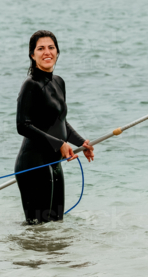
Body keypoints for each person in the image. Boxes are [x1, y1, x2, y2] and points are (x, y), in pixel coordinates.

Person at [14, 30, 94, 224]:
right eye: (40, 48)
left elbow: (60, 121)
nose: (47, 52)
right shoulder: (31, 85)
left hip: (54, 164)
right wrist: (59, 144)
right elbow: (22, 126)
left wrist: (81, 142)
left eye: (51, 47)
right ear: (32, 55)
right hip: (33, 165)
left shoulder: (59, 82)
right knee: (37, 228)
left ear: (57, 52)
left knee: (56, 227)